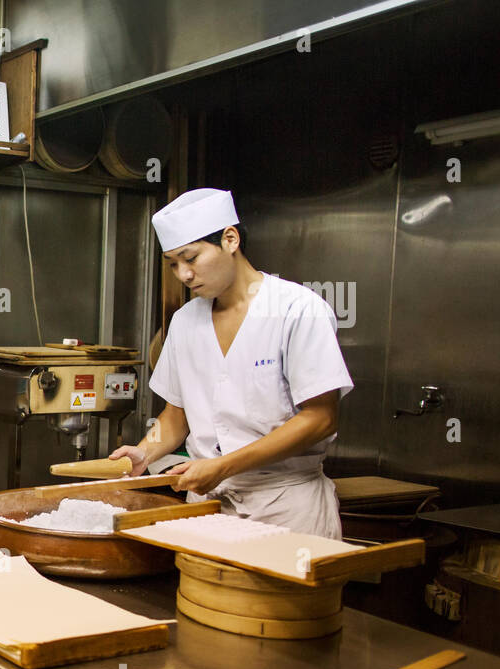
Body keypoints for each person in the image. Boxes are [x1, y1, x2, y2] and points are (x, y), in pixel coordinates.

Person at [110, 188, 353, 538]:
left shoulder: (297, 310)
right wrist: (146, 451)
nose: (184, 275)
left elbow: (320, 418)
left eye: (190, 258)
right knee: (204, 594)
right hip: (207, 508)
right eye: (174, 264)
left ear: (230, 239)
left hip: (285, 507)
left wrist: (222, 466)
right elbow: (176, 416)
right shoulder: (184, 321)